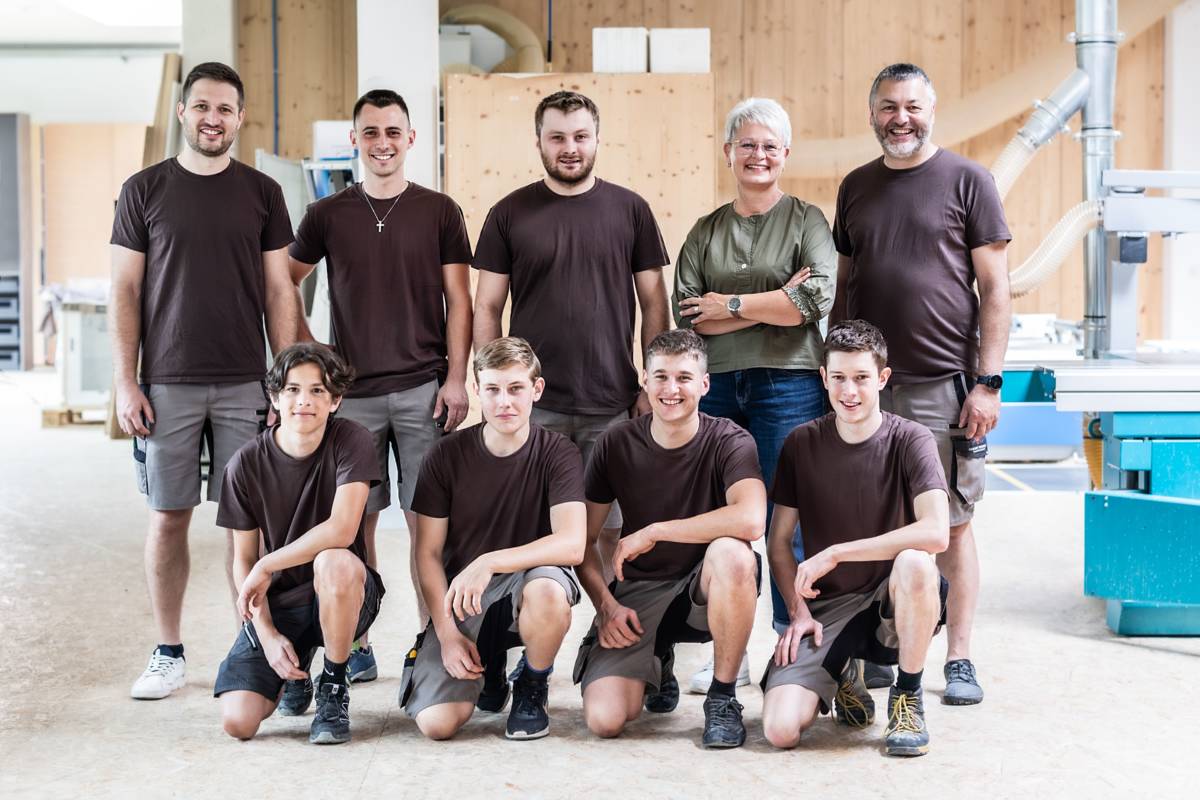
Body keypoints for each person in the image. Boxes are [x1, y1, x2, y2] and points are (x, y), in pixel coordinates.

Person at [110, 61, 302, 700]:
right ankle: (167, 651)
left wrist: (285, 383)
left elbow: (280, 290)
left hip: (248, 382)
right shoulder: (144, 190)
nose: (213, 119)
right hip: (166, 383)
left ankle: (248, 642)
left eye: (225, 109)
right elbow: (126, 289)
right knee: (168, 517)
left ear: (239, 118)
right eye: (202, 107)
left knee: (243, 524)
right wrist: (125, 382)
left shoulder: (262, 193)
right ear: (183, 113)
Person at [472, 89, 671, 706]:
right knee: (531, 532)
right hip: (536, 407)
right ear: (539, 142)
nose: (569, 148)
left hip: (613, 401)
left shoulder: (630, 210)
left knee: (612, 536)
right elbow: (487, 305)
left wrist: (649, 384)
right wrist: (490, 385)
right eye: (557, 137)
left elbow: (655, 303)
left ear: (596, 137)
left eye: (580, 136)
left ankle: (623, 643)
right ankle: (504, 654)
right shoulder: (509, 215)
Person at [830, 63, 1011, 704]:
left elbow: (995, 291)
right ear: (871, 111)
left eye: (911, 105)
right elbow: (846, 289)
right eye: (887, 106)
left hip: (943, 386)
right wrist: (836, 373)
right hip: (870, 389)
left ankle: (957, 658)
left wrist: (987, 383)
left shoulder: (969, 181)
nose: (899, 118)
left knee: (952, 525)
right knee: (882, 521)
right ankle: (888, 643)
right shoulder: (854, 187)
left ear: (931, 109)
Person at [288, 88, 473, 692]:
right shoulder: (327, 215)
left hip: (423, 389)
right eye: (371, 133)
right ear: (356, 140)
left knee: (430, 525)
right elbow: (282, 281)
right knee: (355, 527)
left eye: (393, 132)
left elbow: (460, 301)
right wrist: (311, 354)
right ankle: (359, 640)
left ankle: (429, 638)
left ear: (411, 139)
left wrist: (455, 375)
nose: (383, 143)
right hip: (354, 397)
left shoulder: (440, 210)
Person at [673, 97, 836, 693]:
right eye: (747, 145)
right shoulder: (704, 231)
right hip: (716, 390)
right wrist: (777, 302)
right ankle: (731, 649)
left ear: (785, 154)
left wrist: (731, 305)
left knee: (786, 521)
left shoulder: (807, 221)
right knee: (724, 522)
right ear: (728, 153)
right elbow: (691, 318)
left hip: (789, 385)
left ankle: (793, 640)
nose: (758, 155)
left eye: (770, 146)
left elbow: (814, 302)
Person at [760, 320, 949, 757]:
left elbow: (937, 531)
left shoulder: (911, 439)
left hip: (893, 597)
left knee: (917, 562)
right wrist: (798, 610)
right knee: (779, 730)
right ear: (823, 378)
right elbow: (778, 542)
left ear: (882, 379)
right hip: (829, 610)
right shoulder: (800, 444)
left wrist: (836, 553)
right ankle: (844, 671)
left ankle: (907, 695)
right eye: (839, 377)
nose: (850, 391)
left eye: (862, 378)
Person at [574, 329, 765, 748]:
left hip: (705, 587)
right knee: (604, 720)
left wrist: (657, 531)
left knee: (734, 553)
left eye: (683, 377)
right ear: (645, 381)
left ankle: (722, 696)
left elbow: (752, 520)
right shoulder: (616, 443)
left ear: (704, 384)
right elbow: (580, 542)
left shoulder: (730, 440)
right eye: (660, 377)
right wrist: (606, 606)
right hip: (638, 594)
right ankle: (656, 658)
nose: (671, 389)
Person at [400, 337, 586, 740]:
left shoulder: (559, 453)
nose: (505, 402)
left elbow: (572, 543)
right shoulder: (444, 456)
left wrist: (490, 561)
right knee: (437, 725)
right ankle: (487, 667)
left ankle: (533, 684)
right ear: (476, 391)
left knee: (549, 591)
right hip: (466, 601)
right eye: (493, 389)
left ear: (536, 390)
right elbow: (427, 554)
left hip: (528, 586)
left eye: (516, 388)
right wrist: (446, 634)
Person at [214, 343, 382, 744]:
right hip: (282, 603)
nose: (304, 401)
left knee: (334, 561)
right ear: (274, 397)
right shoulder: (245, 463)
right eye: (292, 390)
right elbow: (243, 561)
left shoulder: (352, 441)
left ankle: (334, 685)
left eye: (318, 391)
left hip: (343, 592)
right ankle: (296, 666)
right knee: (238, 722)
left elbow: (342, 530)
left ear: (336, 400)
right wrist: (268, 635)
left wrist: (267, 565)